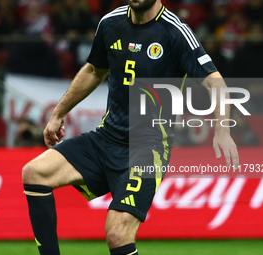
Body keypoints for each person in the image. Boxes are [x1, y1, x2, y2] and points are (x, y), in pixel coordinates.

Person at [22, 1, 239, 255]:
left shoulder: (175, 32)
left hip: (147, 148)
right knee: (34, 173)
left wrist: (223, 130)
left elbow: (215, 82)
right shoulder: (110, 22)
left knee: (117, 234)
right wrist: (58, 113)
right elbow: (94, 70)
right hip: (106, 138)